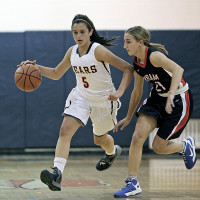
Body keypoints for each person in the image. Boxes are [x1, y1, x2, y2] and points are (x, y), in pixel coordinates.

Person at [18, 14, 134, 191]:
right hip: (81, 96)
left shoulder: (98, 50)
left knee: (100, 139)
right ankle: (57, 173)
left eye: (82, 32)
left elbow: (128, 68)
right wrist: (35, 68)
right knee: (65, 130)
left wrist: (119, 91)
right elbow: (57, 73)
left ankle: (112, 152)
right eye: (75, 32)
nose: (78, 36)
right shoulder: (72, 52)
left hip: (104, 100)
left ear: (90, 32)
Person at [113, 26, 197, 198]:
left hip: (178, 100)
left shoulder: (154, 56)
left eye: (128, 42)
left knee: (158, 147)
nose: (125, 46)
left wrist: (171, 95)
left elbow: (178, 70)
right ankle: (132, 183)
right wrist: (129, 117)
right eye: (125, 42)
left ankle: (185, 146)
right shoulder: (137, 62)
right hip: (156, 99)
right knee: (137, 137)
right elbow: (137, 91)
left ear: (140, 43)